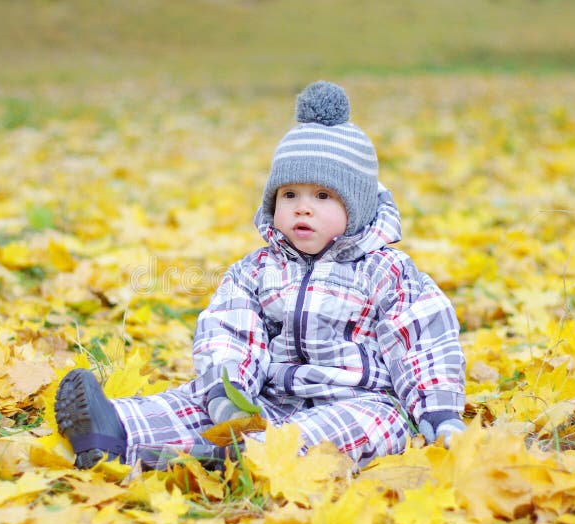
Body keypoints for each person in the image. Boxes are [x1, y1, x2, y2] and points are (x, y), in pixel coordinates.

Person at [55, 81, 467, 470]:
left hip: (357, 398)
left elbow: (423, 341)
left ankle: (240, 456)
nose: (303, 207)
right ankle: (114, 429)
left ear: (355, 206)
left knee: (364, 425)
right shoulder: (255, 271)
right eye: (290, 195)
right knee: (191, 403)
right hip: (269, 399)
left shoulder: (388, 272)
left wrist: (439, 411)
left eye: (322, 196)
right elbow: (229, 332)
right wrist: (228, 395)